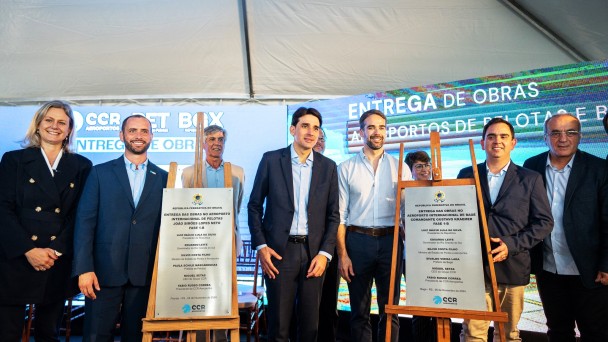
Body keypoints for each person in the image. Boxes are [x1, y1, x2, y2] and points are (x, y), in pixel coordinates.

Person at [0, 100, 92, 341]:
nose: (55, 126)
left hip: (56, 259)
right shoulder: (13, 160)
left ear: (70, 129)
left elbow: (79, 215)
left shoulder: (82, 165)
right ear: (38, 125)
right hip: (17, 257)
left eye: (62, 122)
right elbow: (3, 209)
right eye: (49, 120)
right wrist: (28, 249)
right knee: (7, 332)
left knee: (48, 333)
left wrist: (54, 250)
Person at [73, 114, 168, 341]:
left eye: (144, 131)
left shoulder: (164, 178)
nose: (138, 136)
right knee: (96, 336)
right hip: (102, 274)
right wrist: (84, 268)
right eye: (132, 130)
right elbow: (84, 223)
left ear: (151, 136)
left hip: (144, 275)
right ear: (121, 135)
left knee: (135, 336)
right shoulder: (99, 173)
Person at [248, 107, 339, 342]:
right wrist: (261, 246)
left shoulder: (328, 167)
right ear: (293, 129)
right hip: (279, 253)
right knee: (279, 328)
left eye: (316, 128)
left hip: (313, 255)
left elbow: (333, 215)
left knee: (310, 328)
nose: (311, 132)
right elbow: (254, 206)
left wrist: (325, 253)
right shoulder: (271, 160)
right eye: (305, 126)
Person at [457, 118, 553, 342]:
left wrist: (510, 245)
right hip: (473, 270)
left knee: (507, 335)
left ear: (513, 143)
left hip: (512, 267)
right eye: (491, 136)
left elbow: (544, 222)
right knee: (472, 334)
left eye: (503, 137)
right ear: (482, 143)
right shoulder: (466, 174)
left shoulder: (530, 178)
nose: (497, 141)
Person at [523, 113, 608, 341]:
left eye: (570, 132)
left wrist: (606, 264)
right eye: (556, 133)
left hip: (590, 271)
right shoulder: (532, 166)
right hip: (548, 269)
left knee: (595, 332)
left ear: (579, 136)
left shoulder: (599, 169)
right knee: (558, 331)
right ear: (545, 137)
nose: (563, 138)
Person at [337, 109, 412, 342]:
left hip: (391, 242)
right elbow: (340, 216)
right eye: (371, 127)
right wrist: (343, 255)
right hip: (357, 241)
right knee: (359, 311)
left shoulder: (400, 167)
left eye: (381, 127)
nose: (377, 132)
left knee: (390, 310)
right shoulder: (346, 168)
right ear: (361, 132)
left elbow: (409, 211)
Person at [181, 124, 245, 342]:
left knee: (224, 294)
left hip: (227, 243)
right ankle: (199, 337)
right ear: (203, 143)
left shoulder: (237, 172)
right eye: (211, 139)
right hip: (199, 245)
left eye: (220, 139)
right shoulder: (190, 173)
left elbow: (236, 205)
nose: (217, 143)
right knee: (200, 294)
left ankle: (221, 337)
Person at [404, 151, 437, 341]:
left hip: (439, 254)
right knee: (421, 308)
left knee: (442, 307)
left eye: (427, 165)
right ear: (410, 170)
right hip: (413, 258)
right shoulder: (404, 192)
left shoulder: (443, 189)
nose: (424, 169)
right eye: (419, 166)